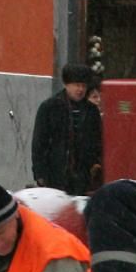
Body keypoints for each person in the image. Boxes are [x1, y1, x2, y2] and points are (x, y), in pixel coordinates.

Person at [31, 62, 105, 196]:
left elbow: (97, 141)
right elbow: (39, 143)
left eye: (83, 85)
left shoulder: (91, 111)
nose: (80, 89)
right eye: (76, 85)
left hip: (83, 177)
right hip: (55, 174)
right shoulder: (50, 107)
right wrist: (40, 173)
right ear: (66, 84)